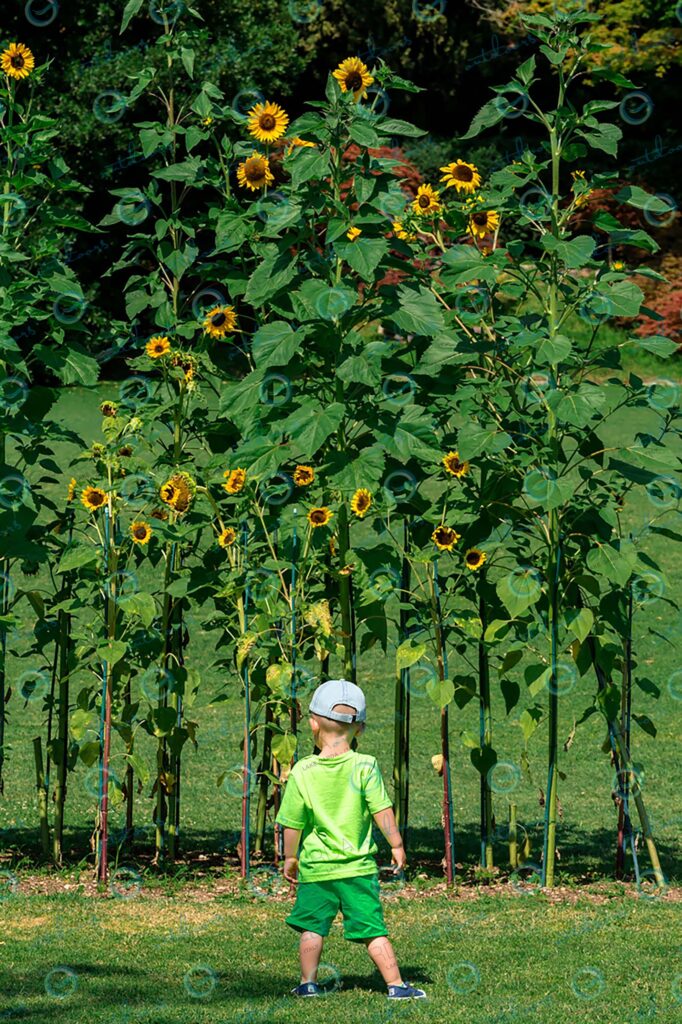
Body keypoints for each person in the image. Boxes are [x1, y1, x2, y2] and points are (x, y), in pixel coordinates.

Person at [275, 678, 427, 1000]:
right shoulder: (365, 767)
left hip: (316, 870)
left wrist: (290, 857)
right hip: (358, 869)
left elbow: (292, 823)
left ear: (313, 724)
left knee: (312, 928)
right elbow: (382, 810)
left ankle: (307, 984)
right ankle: (396, 985)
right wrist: (397, 844)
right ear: (360, 728)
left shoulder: (302, 771)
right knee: (373, 930)